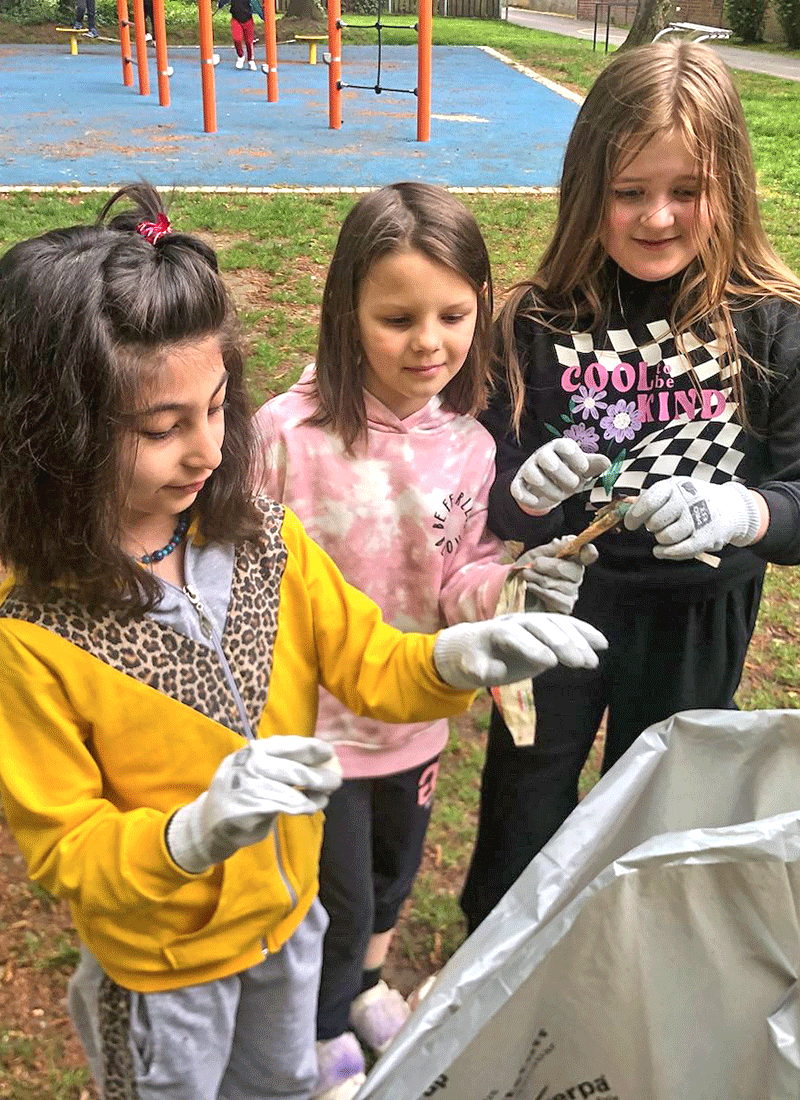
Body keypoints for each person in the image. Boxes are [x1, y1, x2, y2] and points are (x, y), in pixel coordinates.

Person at [0, 182, 607, 1100]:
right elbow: (67, 845)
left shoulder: (258, 535)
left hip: (289, 925)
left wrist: (451, 658)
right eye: (163, 429)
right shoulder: (32, 632)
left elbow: (369, 663)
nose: (209, 451)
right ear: (55, 435)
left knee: (283, 1085)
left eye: (216, 407)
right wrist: (190, 836)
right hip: (164, 975)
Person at [255, 182, 598, 1100]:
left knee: (392, 871)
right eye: (397, 318)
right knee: (334, 896)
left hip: (417, 717)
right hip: (311, 726)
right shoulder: (284, 436)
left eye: (453, 315)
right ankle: (323, 1031)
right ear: (346, 312)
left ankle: (365, 988)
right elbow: (238, 568)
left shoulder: (474, 445)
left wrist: (508, 597)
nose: (429, 342)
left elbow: (464, 576)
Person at [460, 38, 800, 935]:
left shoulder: (772, 324)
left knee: (661, 801)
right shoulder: (536, 319)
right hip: (560, 602)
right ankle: (495, 956)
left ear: (729, 187)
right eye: (629, 192)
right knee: (526, 793)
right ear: (587, 191)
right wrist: (524, 491)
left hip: (700, 610)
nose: (657, 217)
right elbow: (487, 493)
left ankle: (628, 963)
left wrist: (740, 509)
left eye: (685, 191)